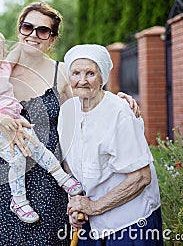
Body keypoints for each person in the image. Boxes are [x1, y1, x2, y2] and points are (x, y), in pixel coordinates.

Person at [0, 2, 139, 245]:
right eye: (27, 27)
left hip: (49, 180)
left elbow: (90, 108)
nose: (33, 35)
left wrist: (119, 101)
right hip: (8, 176)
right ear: (19, 30)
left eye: (43, 30)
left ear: (52, 39)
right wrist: (2, 123)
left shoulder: (61, 73)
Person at [0, 27, 83, 224]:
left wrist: (30, 33)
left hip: (15, 122)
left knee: (37, 147)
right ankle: (18, 200)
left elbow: (21, 45)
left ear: (3, 54)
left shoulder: (5, 69)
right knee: (17, 159)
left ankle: (63, 179)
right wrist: (0, 120)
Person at [59, 44, 163, 245]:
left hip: (129, 222)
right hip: (89, 220)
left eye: (90, 73)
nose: (82, 80)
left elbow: (141, 177)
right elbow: (68, 165)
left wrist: (94, 207)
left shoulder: (119, 111)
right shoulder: (67, 111)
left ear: (102, 78)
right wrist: (75, 203)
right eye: (76, 73)